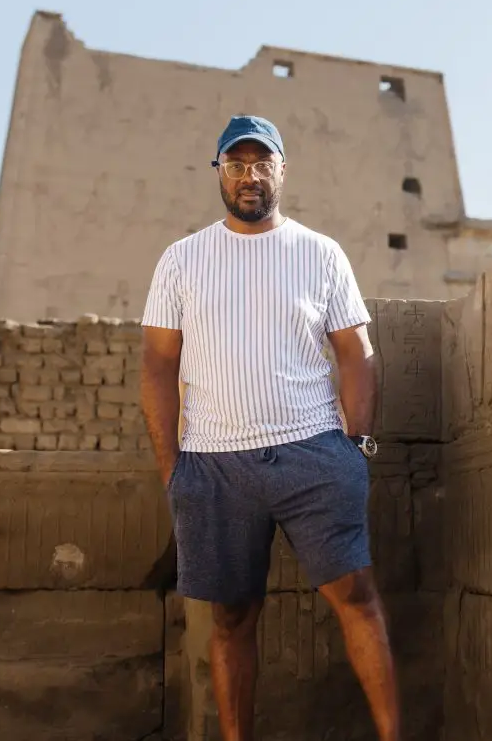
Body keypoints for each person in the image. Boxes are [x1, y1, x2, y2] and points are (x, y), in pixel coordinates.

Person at [139, 115, 400, 741]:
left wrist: (357, 448)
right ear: (220, 173)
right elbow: (157, 365)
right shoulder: (181, 260)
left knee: (357, 597)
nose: (249, 176)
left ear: (283, 170)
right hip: (214, 466)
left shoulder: (321, 253)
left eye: (262, 164)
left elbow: (358, 354)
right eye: (236, 164)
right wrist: (173, 470)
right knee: (230, 619)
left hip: (314, 454)